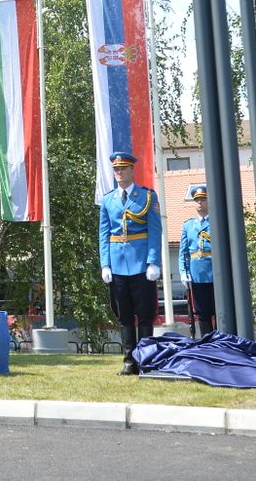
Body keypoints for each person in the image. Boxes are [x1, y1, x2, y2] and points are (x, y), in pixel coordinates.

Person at [99, 149, 163, 375]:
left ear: (132, 170)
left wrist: (153, 262)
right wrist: (104, 264)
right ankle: (129, 361)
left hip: (141, 264)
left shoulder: (147, 197)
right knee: (124, 314)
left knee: (144, 314)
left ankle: (145, 360)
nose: (118, 172)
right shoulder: (108, 200)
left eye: (122, 168)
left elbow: (155, 230)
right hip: (117, 264)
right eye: (116, 169)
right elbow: (104, 234)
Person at [179, 184, 215, 337]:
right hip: (196, 275)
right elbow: (183, 252)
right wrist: (183, 272)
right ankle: (207, 344)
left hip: (214, 273)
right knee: (201, 313)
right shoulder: (188, 225)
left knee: (217, 310)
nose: (200, 203)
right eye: (197, 200)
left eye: (203, 199)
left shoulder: (216, 222)